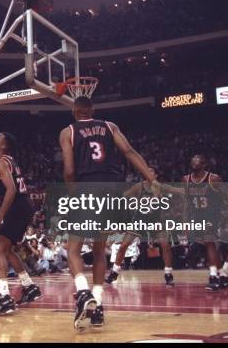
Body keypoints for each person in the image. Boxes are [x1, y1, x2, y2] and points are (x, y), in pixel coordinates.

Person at [59, 96, 159, 330]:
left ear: (74, 111)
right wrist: (151, 179)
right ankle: (98, 306)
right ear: (92, 109)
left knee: (73, 249)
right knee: (99, 250)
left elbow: (70, 169)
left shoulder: (68, 132)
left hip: (87, 188)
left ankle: (83, 293)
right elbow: (130, 152)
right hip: (112, 189)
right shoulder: (110, 126)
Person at [0, 132, 42, 316]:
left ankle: (4, 297)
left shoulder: (0, 162)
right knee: (7, 250)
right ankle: (29, 286)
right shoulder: (10, 161)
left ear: (4, 145)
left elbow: (11, 189)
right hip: (24, 206)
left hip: (17, 206)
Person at [105, 166, 175, 287]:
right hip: (139, 220)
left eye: (151, 171)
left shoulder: (159, 187)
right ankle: (114, 272)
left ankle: (168, 274)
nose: (148, 172)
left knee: (165, 245)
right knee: (123, 246)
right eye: (146, 170)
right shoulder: (139, 186)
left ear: (156, 175)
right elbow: (124, 196)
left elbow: (172, 194)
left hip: (155, 220)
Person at [182, 154, 228, 291]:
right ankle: (222, 275)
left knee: (208, 241)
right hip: (197, 217)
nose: (195, 161)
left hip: (213, 215)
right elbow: (186, 204)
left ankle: (213, 277)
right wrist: (185, 223)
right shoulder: (186, 179)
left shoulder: (213, 178)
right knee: (206, 247)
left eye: (198, 160)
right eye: (193, 159)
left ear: (204, 164)